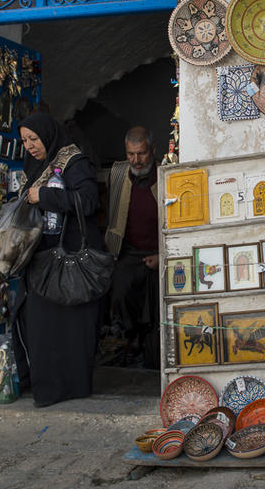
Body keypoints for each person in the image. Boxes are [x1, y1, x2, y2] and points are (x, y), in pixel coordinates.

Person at [13, 112, 103, 407]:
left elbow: (89, 201)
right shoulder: (33, 165)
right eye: (24, 140)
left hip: (70, 259)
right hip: (40, 259)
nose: (29, 145)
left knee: (72, 330)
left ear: (48, 136)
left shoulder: (74, 162)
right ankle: (46, 389)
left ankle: (74, 387)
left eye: (34, 139)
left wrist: (45, 197)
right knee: (40, 328)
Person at [104, 126, 159, 366]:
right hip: (128, 250)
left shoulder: (166, 173)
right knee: (121, 292)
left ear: (153, 150)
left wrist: (163, 255)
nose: (136, 160)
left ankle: (153, 347)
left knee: (159, 302)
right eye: (130, 154)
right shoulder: (118, 173)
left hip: (161, 251)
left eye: (142, 153)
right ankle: (132, 338)